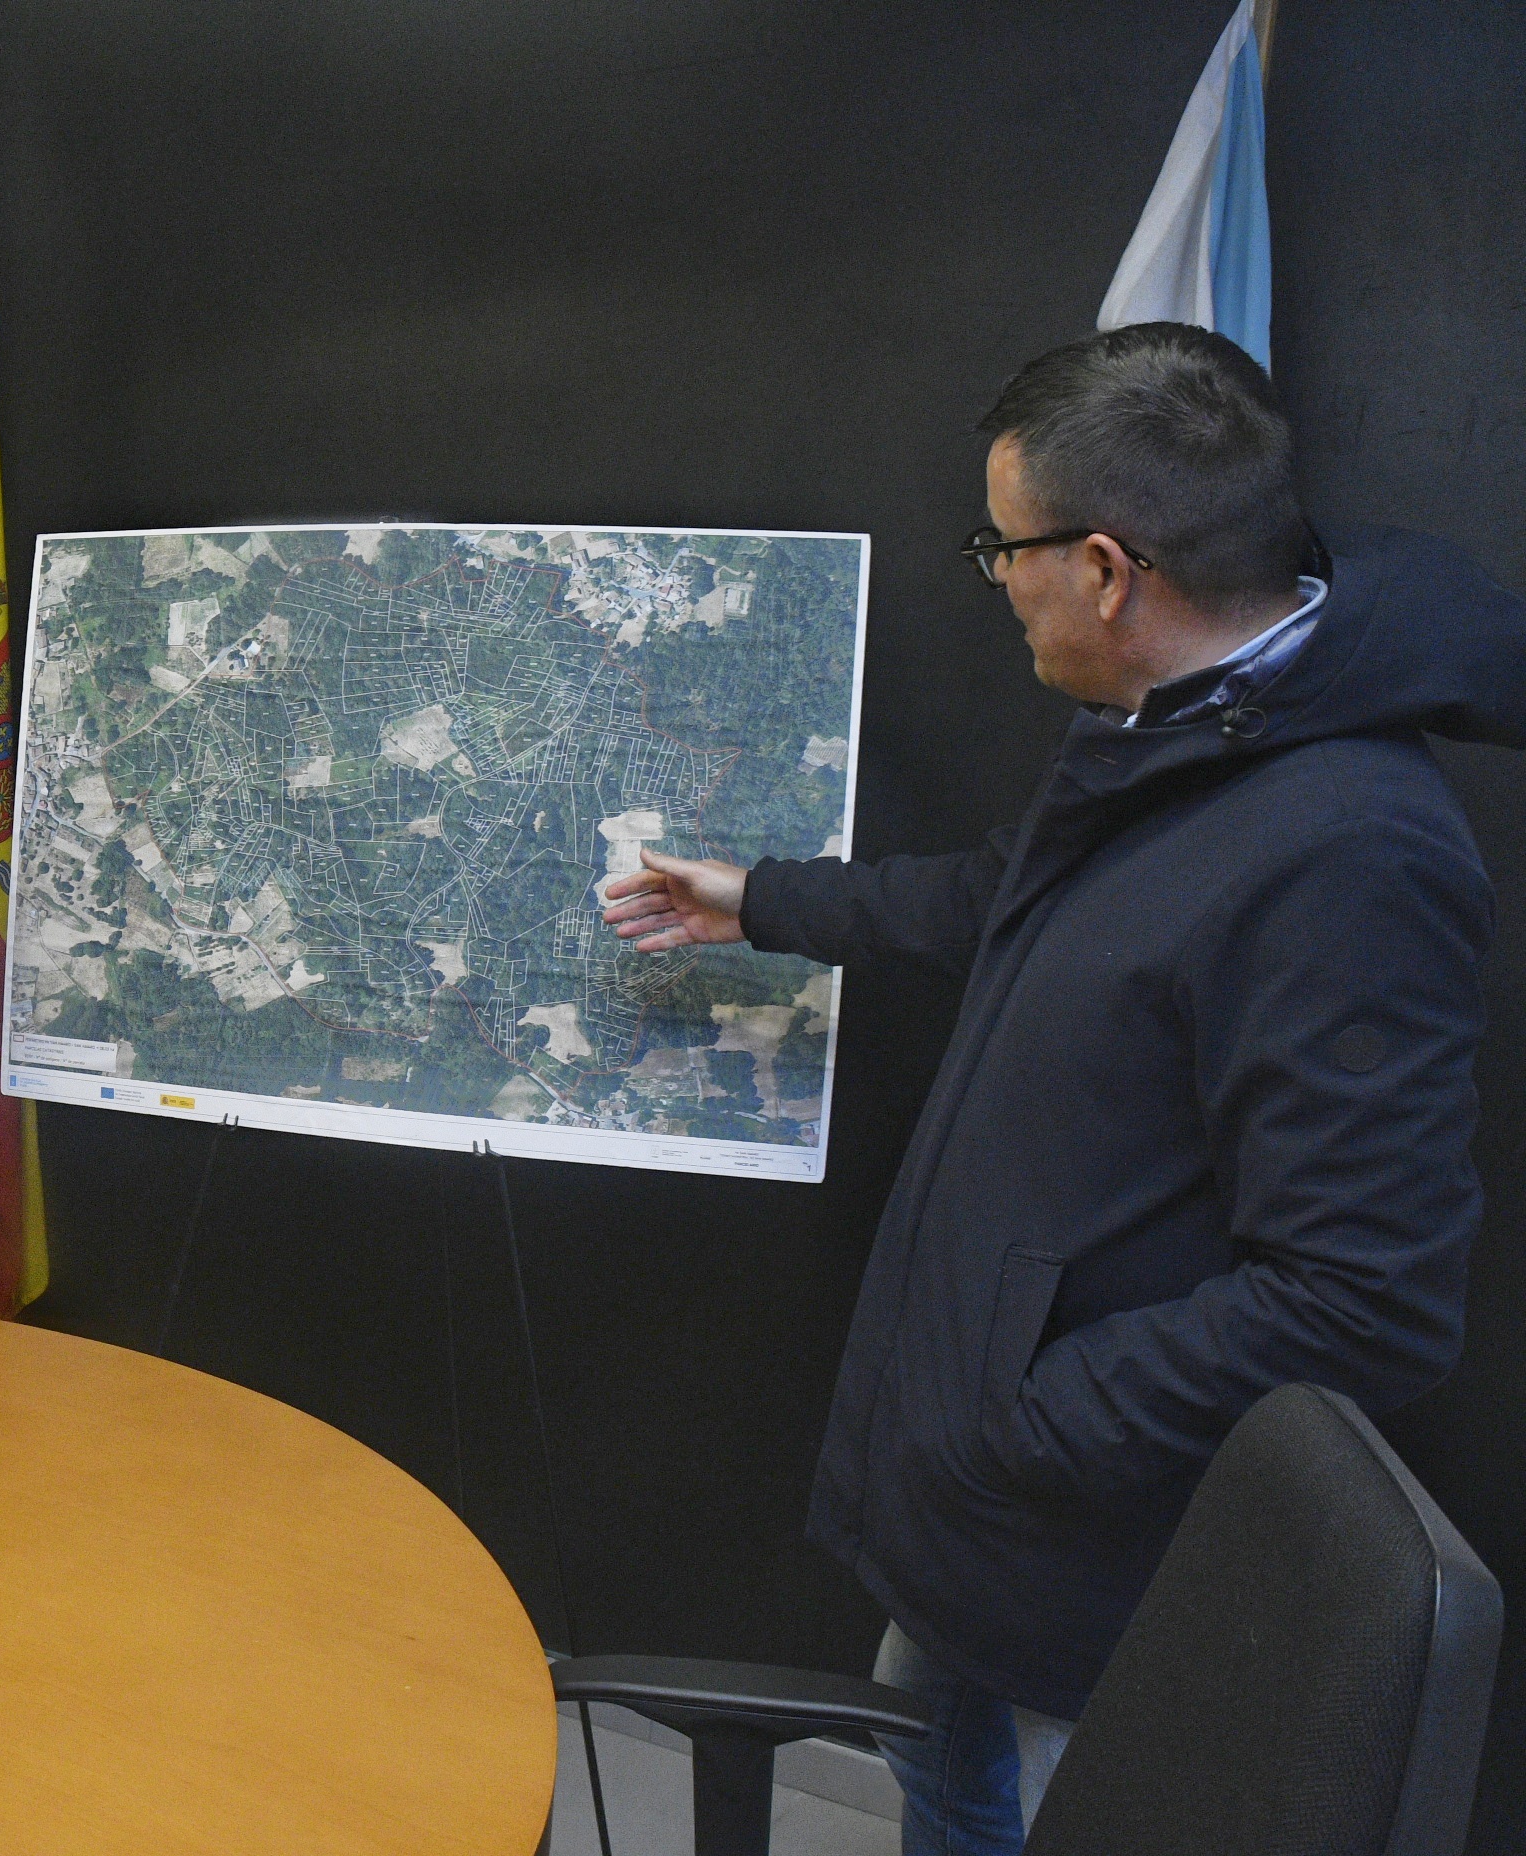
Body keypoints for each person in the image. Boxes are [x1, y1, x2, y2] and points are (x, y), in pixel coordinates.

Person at [601, 323, 1522, 1853]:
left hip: (1085, 1520)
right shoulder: (1179, 726)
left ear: (1105, 569)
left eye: (1002, 548)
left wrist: (1026, 1420)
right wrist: (757, 900)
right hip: (991, 1503)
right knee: (933, 1721)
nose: (999, 581)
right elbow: (1008, 900)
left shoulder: (1352, 849)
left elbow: (1371, 1296)